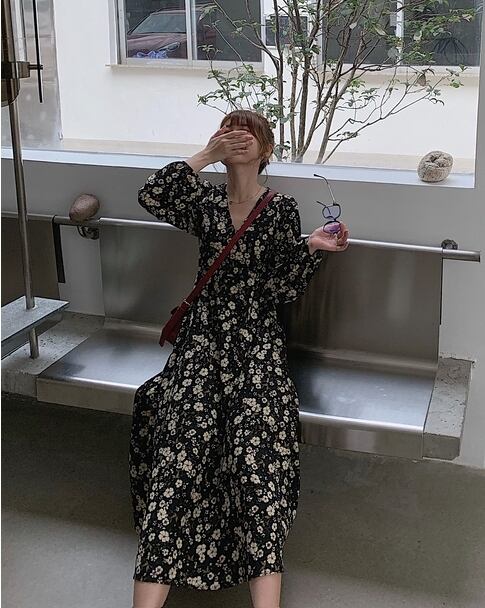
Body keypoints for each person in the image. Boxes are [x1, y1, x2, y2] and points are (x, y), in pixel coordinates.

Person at [129, 109, 350, 608]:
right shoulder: (204, 203)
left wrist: (310, 248)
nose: (240, 136)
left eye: (251, 132)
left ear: (266, 149)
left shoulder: (280, 209)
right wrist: (206, 155)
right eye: (230, 130)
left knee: (257, 460)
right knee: (177, 463)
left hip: (256, 344)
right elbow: (152, 194)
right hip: (201, 342)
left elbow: (281, 287)